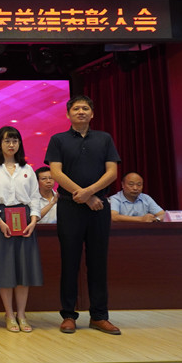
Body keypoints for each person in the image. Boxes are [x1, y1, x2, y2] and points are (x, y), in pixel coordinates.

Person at [45, 95, 121, 335]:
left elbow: (112, 172)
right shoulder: (58, 139)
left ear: (92, 113)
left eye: (85, 108)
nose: (81, 111)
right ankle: (68, 315)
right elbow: (56, 173)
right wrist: (85, 196)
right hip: (70, 206)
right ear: (68, 114)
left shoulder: (104, 138)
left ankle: (99, 316)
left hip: (99, 207)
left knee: (98, 262)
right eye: (76, 108)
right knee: (69, 261)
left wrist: (90, 193)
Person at [0, 126, 43, 332]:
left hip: (25, 220)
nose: (11, 144)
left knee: (24, 269)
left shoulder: (27, 169)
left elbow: (35, 197)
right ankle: (9, 314)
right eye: (7, 141)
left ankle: (21, 314)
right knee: (5, 269)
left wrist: (34, 219)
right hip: (2, 221)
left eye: (15, 141)